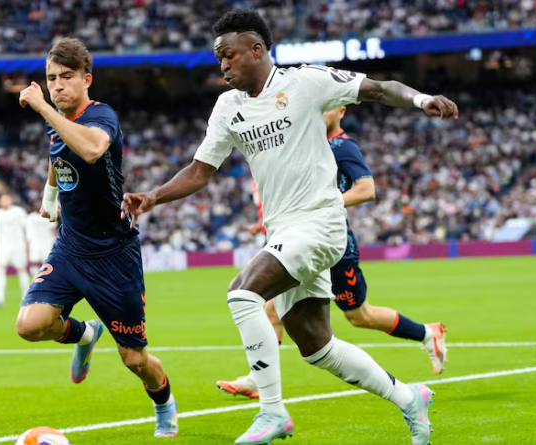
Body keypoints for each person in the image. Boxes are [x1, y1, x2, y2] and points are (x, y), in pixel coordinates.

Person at [121, 9, 457, 445]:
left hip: (320, 222)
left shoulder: (305, 82)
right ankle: (410, 398)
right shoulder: (227, 107)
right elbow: (200, 171)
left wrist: (421, 100)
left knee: (242, 294)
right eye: (218, 57)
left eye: (229, 55)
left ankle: (272, 411)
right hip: (282, 232)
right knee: (318, 347)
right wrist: (153, 197)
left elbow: (377, 88)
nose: (222, 64)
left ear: (256, 49)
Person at [217, 106, 448, 400]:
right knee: (272, 307)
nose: (318, 114)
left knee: (359, 316)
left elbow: (366, 189)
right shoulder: (310, 144)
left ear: (341, 111)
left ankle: (427, 333)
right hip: (306, 240)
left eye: (325, 109)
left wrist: (326, 203)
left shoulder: (343, 146)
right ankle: (258, 380)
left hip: (335, 246)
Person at [15, 37, 177, 438]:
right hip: (71, 248)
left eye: (66, 77)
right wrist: (49, 196)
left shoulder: (101, 116)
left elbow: (90, 149)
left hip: (113, 255)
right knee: (29, 325)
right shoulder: (58, 123)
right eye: (51, 78)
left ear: (86, 79)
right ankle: (85, 334)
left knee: (135, 360)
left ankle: (164, 404)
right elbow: (57, 155)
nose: (57, 85)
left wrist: (42, 107)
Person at [0, 194, 31, 308]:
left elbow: (27, 226)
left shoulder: (19, 211)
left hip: (18, 246)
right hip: (3, 247)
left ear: (11, 200)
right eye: (2, 200)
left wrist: (28, 238)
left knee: (21, 270)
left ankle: (25, 298)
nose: (4, 201)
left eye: (6, 199)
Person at [25, 202, 58, 273]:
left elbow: (53, 229)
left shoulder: (49, 216)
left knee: (48, 261)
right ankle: (35, 277)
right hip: (35, 243)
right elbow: (28, 230)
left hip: (47, 242)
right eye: (36, 205)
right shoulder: (30, 217)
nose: (38, 206)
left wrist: (55, 240)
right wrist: (28, 241)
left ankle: (47, 277)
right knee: (34, 261)